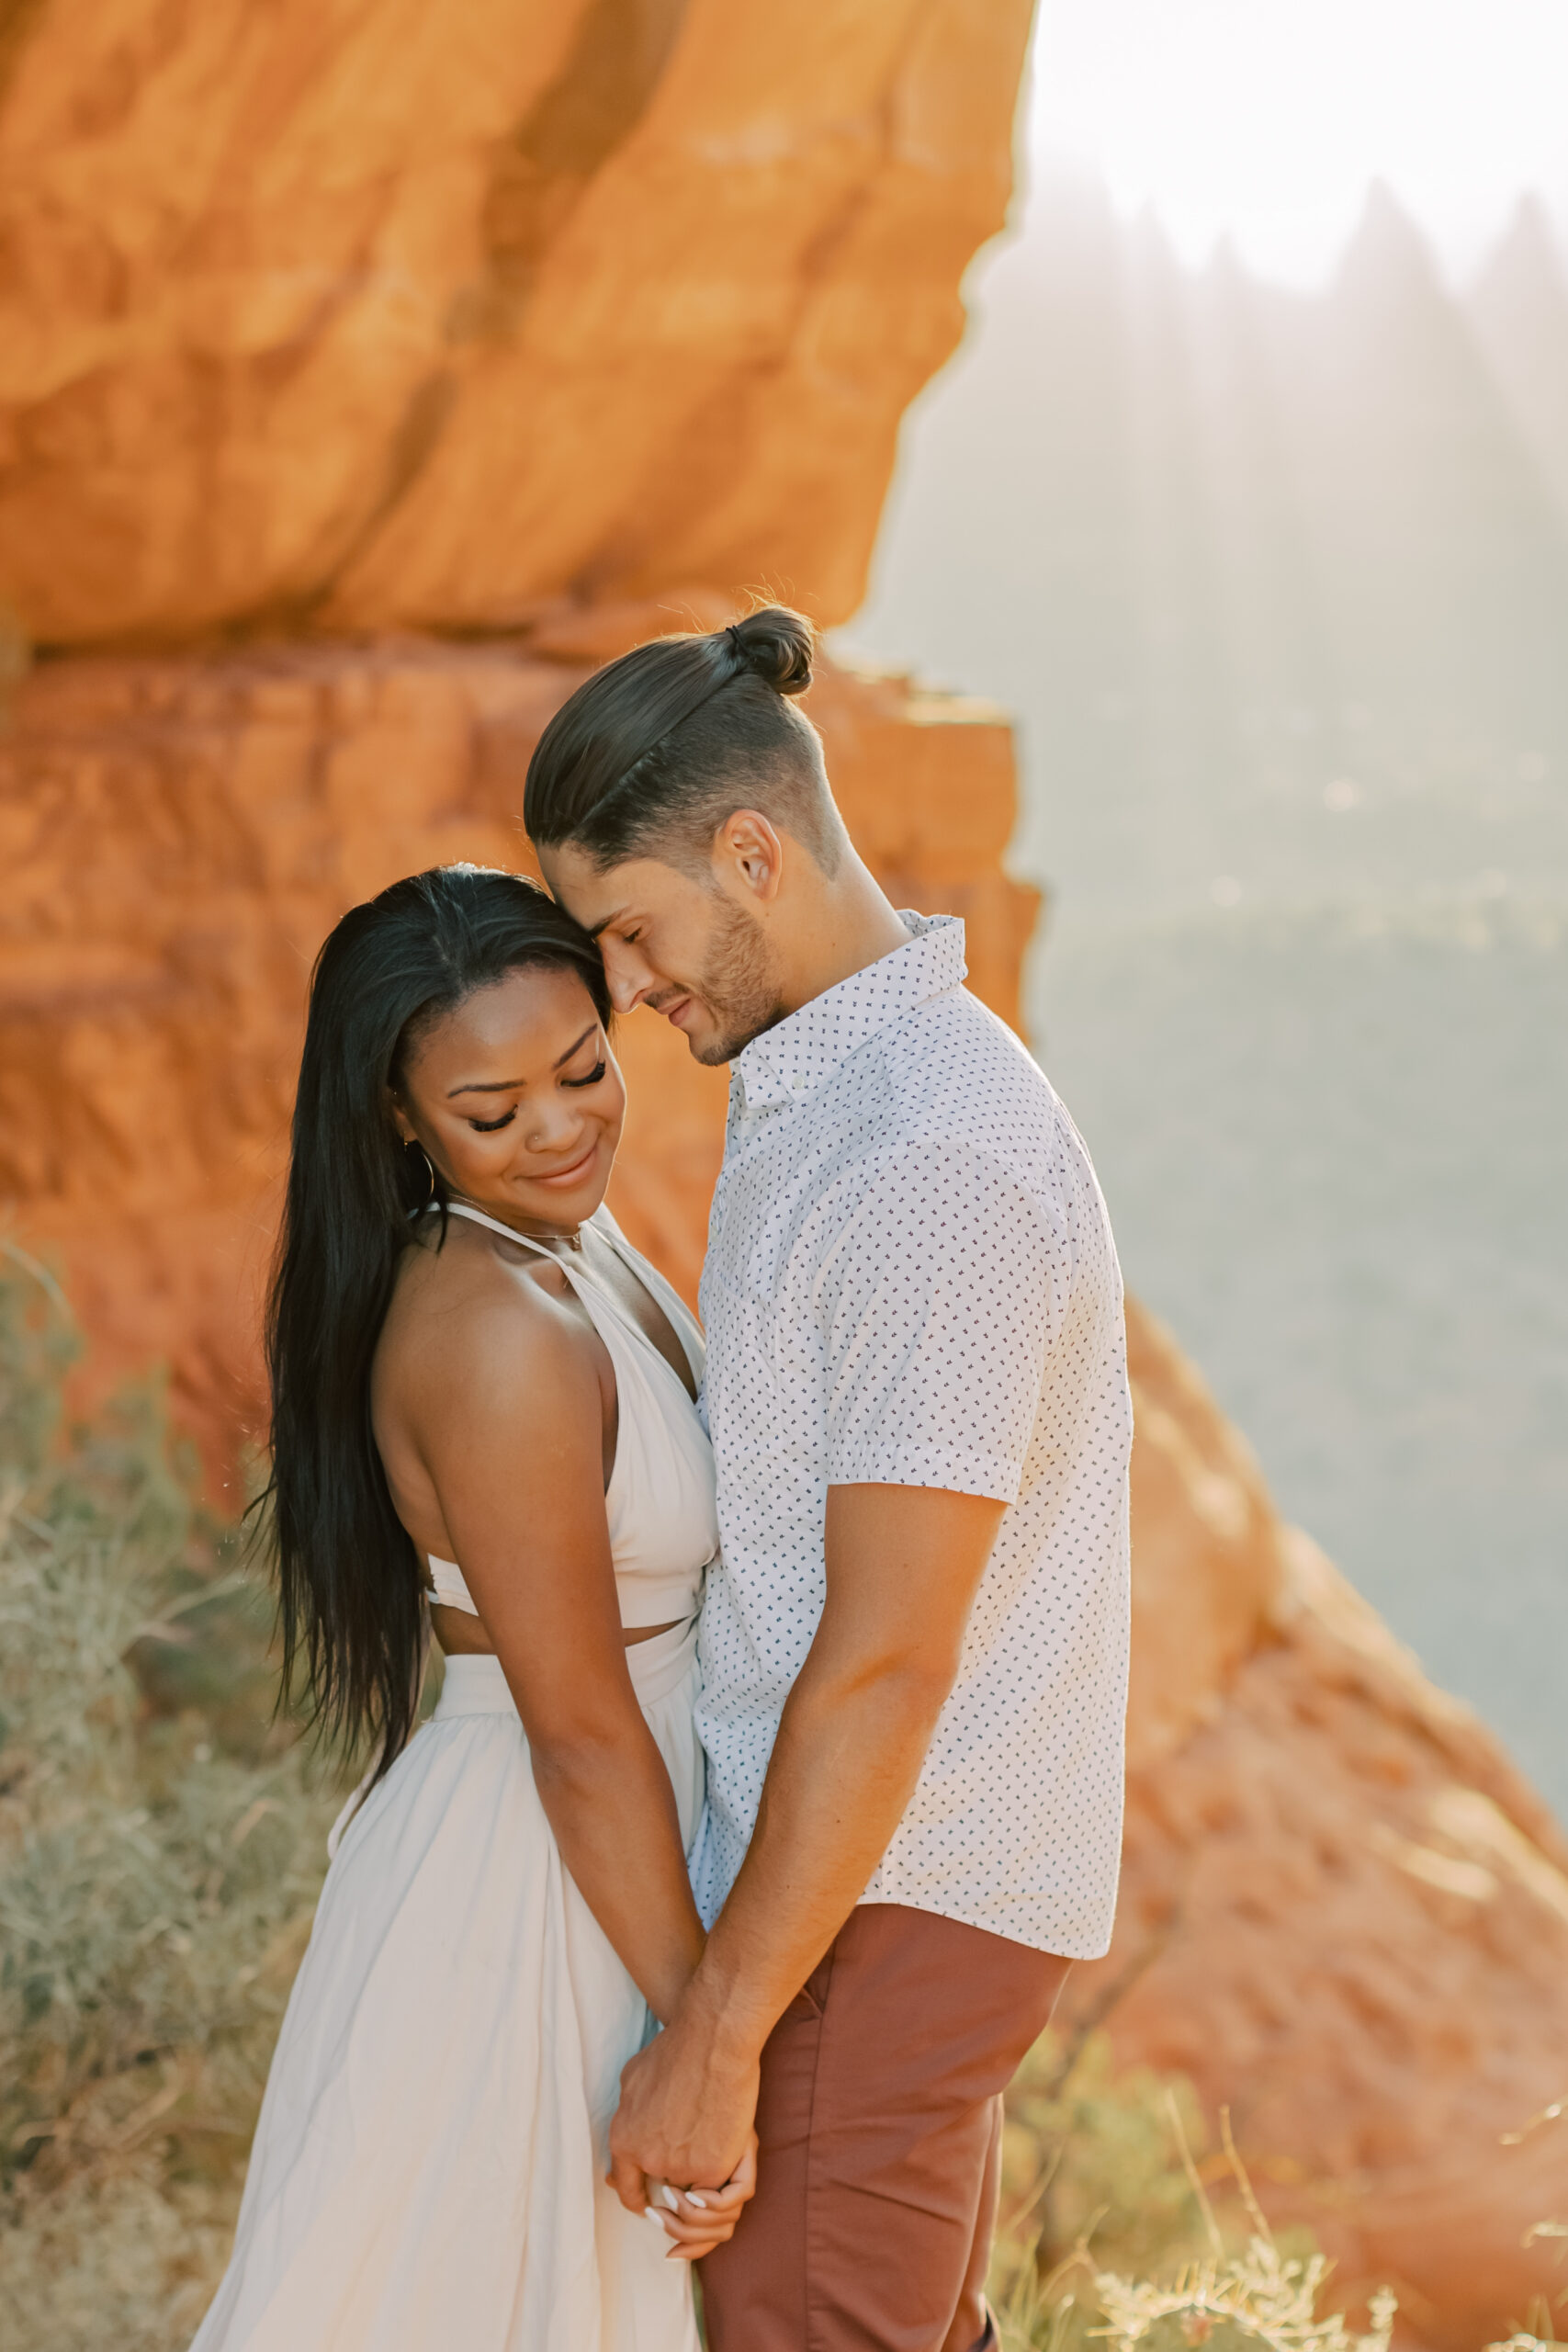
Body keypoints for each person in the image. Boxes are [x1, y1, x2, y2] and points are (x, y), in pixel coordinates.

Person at [527, 607, 1134, 2352]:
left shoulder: (925, 1162)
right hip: (856, 1909)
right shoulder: (844, 1101)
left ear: (751, 851)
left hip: (870, 1916)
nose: (630, 987)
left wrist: (719, 2040)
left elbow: (887, 1654)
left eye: (634, 931)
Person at [190, 864, 750, 2352]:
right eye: (492, 1115)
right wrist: (711, 2040)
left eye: (583, 1070)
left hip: (605, 1853)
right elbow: (578, 1730)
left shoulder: (569, 1244)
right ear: (398, 1117)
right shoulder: (493, 1329)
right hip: (539, 1887)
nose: (561, 1130)